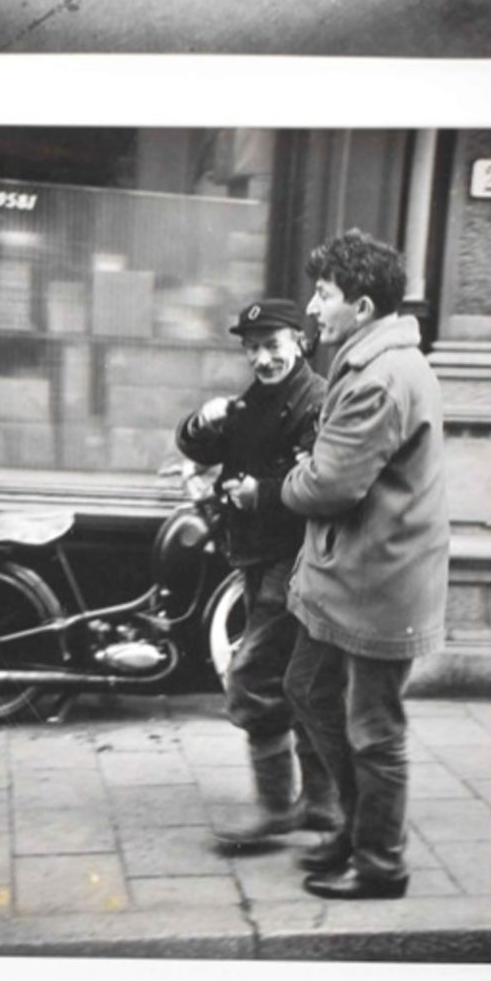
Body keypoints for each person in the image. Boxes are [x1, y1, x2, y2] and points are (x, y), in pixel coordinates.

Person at [280, 230, 450, 900]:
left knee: (374, 729)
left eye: (324, 295)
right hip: (351, 572)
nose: (313, 308)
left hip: (379, 581)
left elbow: (329, 486)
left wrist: (294, 476)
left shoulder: (377, 377)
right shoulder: (372, 362)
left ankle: (380, 863)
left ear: (365, 306)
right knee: (308, 688)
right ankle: (353, 828)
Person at [176, 300, 337, 846]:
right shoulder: (255, 399)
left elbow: (321, 483)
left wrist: (258, 494)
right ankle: (322, 802)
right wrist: (205, 420)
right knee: (301, 684)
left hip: (292, 561)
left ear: (300, 342)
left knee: (251, 679)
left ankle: (276, 809)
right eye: (252, 347)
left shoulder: (315, 402)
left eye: (273, 345)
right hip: (257, 554)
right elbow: (198, 443)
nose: (262, 357)